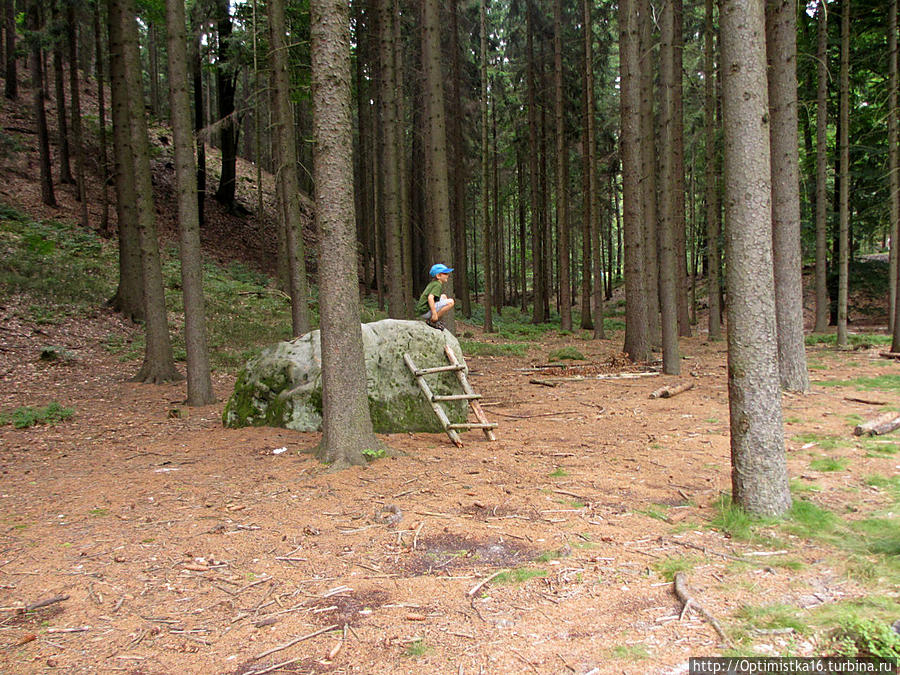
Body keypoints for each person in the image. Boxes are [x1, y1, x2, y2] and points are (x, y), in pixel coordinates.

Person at [416, 264, 455, 330]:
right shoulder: (437, 285)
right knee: (451, 302)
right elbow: (430, 298)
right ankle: (432, 321)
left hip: (423, 310)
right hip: (425, 311)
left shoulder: (434, 283)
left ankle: (434, 319)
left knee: (444, 296)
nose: (448, 275)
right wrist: (434, 313)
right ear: (438, 276)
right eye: (445, 273)